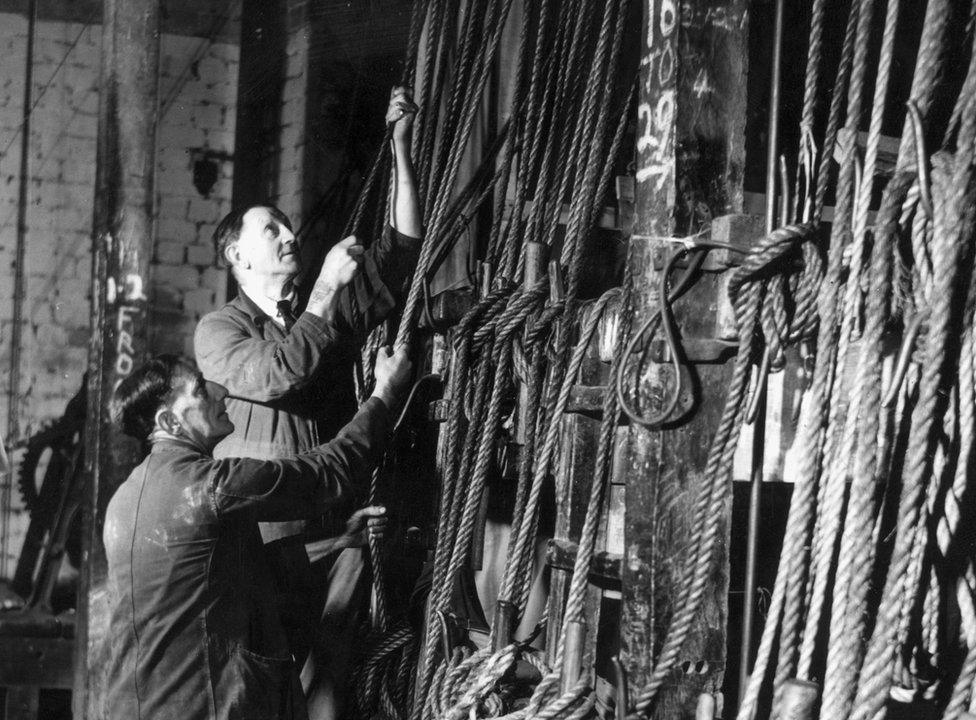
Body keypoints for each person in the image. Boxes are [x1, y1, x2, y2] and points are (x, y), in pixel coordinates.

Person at [193, 86, 421, 717]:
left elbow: (401, 252)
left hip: (334, 534)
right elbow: (277, 375)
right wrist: (322, 292)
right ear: (238, 256)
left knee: (328, 695)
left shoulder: (323, 317)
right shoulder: (219, 331)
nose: (289, 234)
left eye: (289, 226)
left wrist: (400, 148)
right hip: (260, 549)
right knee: (260, 693)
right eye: (273, 230)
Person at [103, 347, 411, 720]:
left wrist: (340, 538)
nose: (222, 390)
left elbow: (228, 573)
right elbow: (325, 473)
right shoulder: (207, 486)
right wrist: (385, 395)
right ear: (169, 421)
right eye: (200, 389)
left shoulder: (124, 499)